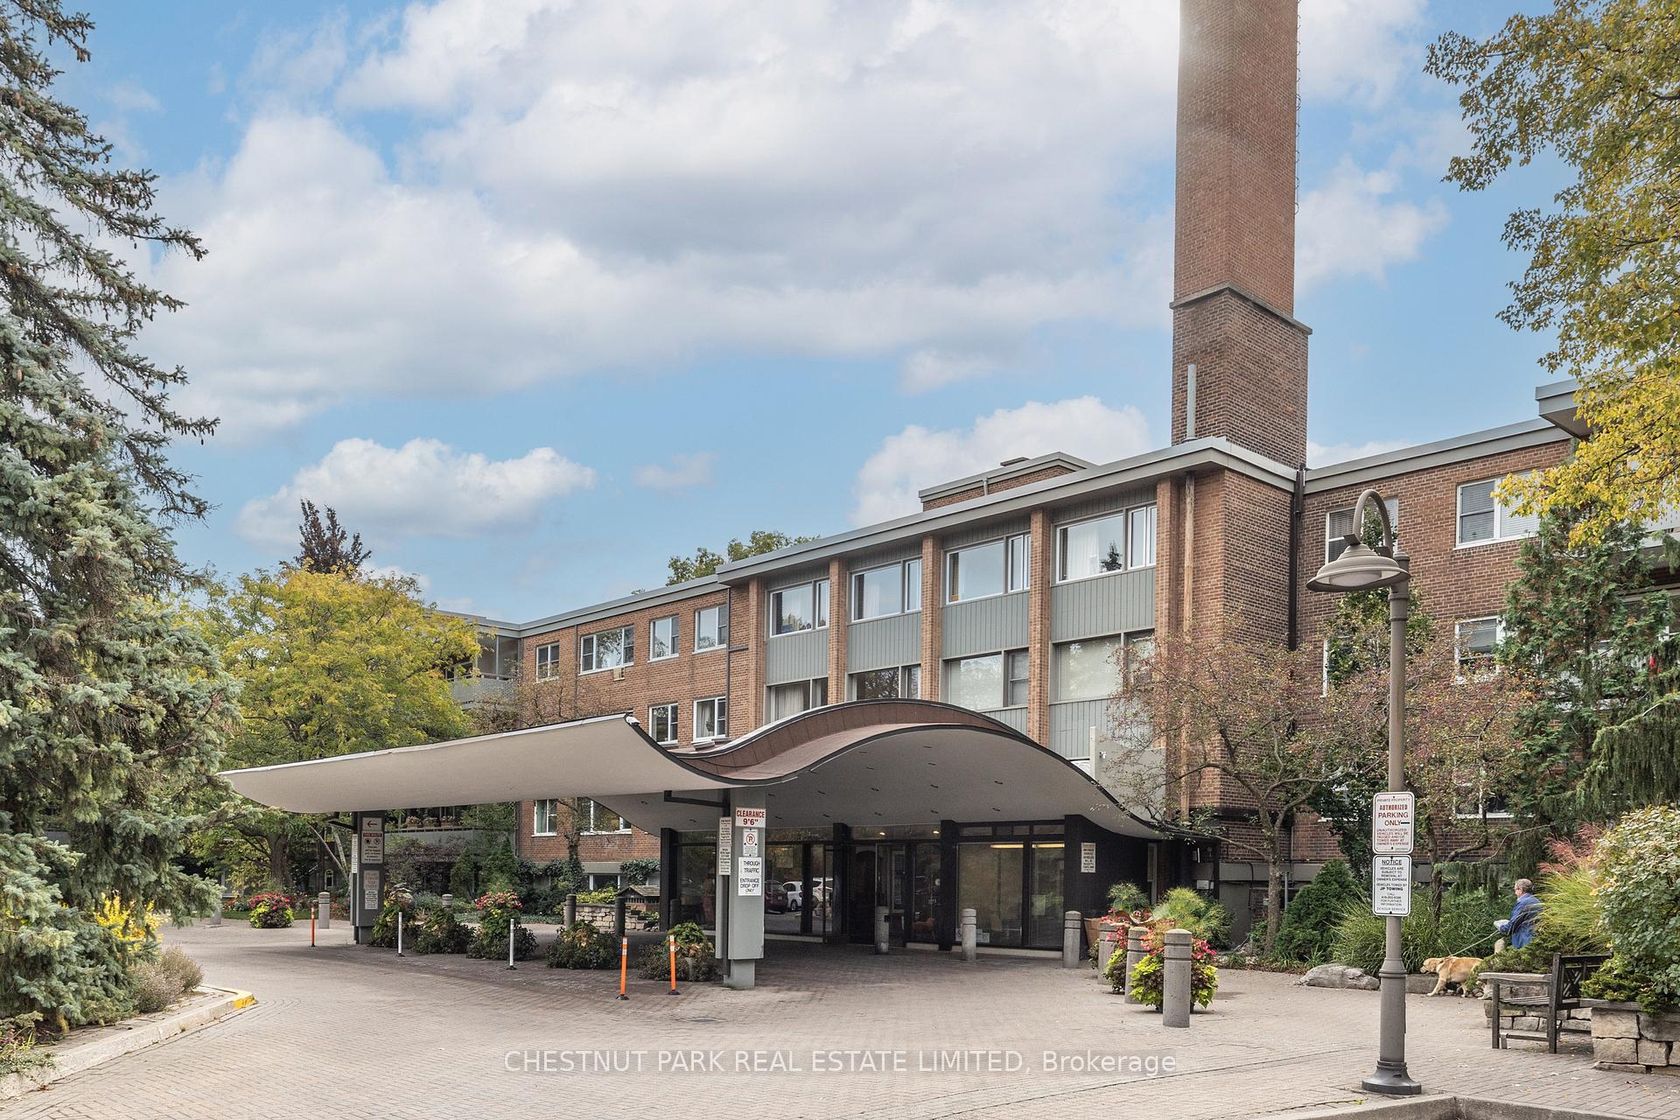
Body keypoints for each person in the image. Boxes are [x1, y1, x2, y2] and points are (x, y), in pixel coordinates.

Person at [1495, 878, 1541, 949]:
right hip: (1537, 942)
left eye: (1515, 890)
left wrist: (1500, 926)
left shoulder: (1523, 903)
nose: (1515, 893)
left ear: (1520, 889)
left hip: (1524, 943)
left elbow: (1511, 928)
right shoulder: (1537, 901)